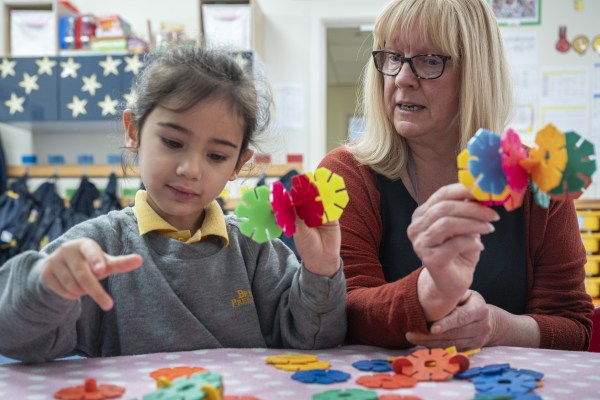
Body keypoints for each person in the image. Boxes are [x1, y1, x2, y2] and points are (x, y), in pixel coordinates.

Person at [0, 46, 346, 363]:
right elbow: (15, 340)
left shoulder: (256, 250)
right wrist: (45, 287)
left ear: (238, 165)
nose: (190, 170)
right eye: (172, 141)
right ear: (133, 131)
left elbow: (312, 340)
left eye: (216, 155)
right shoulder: (97, 247)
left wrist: (320, 270)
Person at [319, 0, 593, 351]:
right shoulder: (345, 175)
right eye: (392, 58)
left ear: (476, 72)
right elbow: (341, 310)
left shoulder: (539, 179)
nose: (403, 78)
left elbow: (573, 325)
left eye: (430, 60)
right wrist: (430, 293)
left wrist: (497, 327)